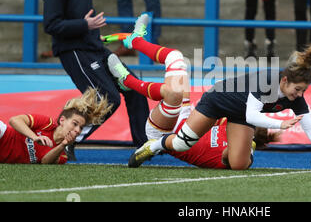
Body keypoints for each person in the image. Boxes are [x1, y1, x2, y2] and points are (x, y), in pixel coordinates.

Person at [119, 16, 311, 170]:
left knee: (238, 165)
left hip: (240, 115)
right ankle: (154, 146)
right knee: (180, 144)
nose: (299, 95)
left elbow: (309, 125)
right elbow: (254, 115)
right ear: (284, 80)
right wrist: (278, 124)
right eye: (297, 89)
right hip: (217, 102)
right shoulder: (267, 80)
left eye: (303, 91)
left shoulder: (296, 98)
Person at [105, 21, 285, 169]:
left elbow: (228, 159)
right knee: (176, 58)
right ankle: (135, 41)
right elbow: (209, 114)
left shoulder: (241, 149)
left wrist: (249, 146)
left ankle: (127, 81)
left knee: (173, 94)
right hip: (183, 115)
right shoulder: (231, 122)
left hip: (163, 133)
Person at [42, 0, 150, 160]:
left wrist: (92, 33)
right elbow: (51, 25)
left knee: (135, 88)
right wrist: (85, 26)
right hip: (74, 51)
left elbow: (84, 17)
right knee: (106, 99)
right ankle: (65, 142)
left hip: (93, 46)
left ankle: (144, 146)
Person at [0, 87, 112, 164]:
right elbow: (14, 120)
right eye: (75, 124)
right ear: (62, 120)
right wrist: (34, 137)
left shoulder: (62, 155)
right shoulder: (47, 123)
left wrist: (63, 144)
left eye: (81, 128)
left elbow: (44, 161)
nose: (77, 130)